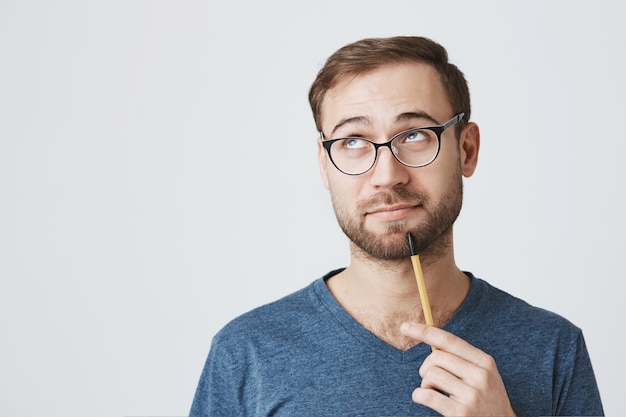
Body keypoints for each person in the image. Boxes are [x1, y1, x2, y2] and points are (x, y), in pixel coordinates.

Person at [190, 36, 603, 416]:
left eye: (416, 135)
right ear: (324, 163)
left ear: (467, 150)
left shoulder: (553, 348)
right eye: (353, 141)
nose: (387, 175)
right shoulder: (246, 352)